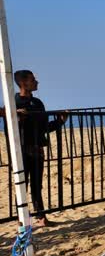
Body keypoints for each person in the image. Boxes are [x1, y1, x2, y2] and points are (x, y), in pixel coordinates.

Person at [13, 70, 66, 227]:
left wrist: (60, 122)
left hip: (37, 149)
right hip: (21, 151)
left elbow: (43, 128)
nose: (36, 82)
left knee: (37, 184)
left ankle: (41, 217)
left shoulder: (38, 103)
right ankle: (22, 220)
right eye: (32, 79)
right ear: (23, 83)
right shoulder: (13, 102)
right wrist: (16, 116)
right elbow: (11, 127)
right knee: (21, 185)